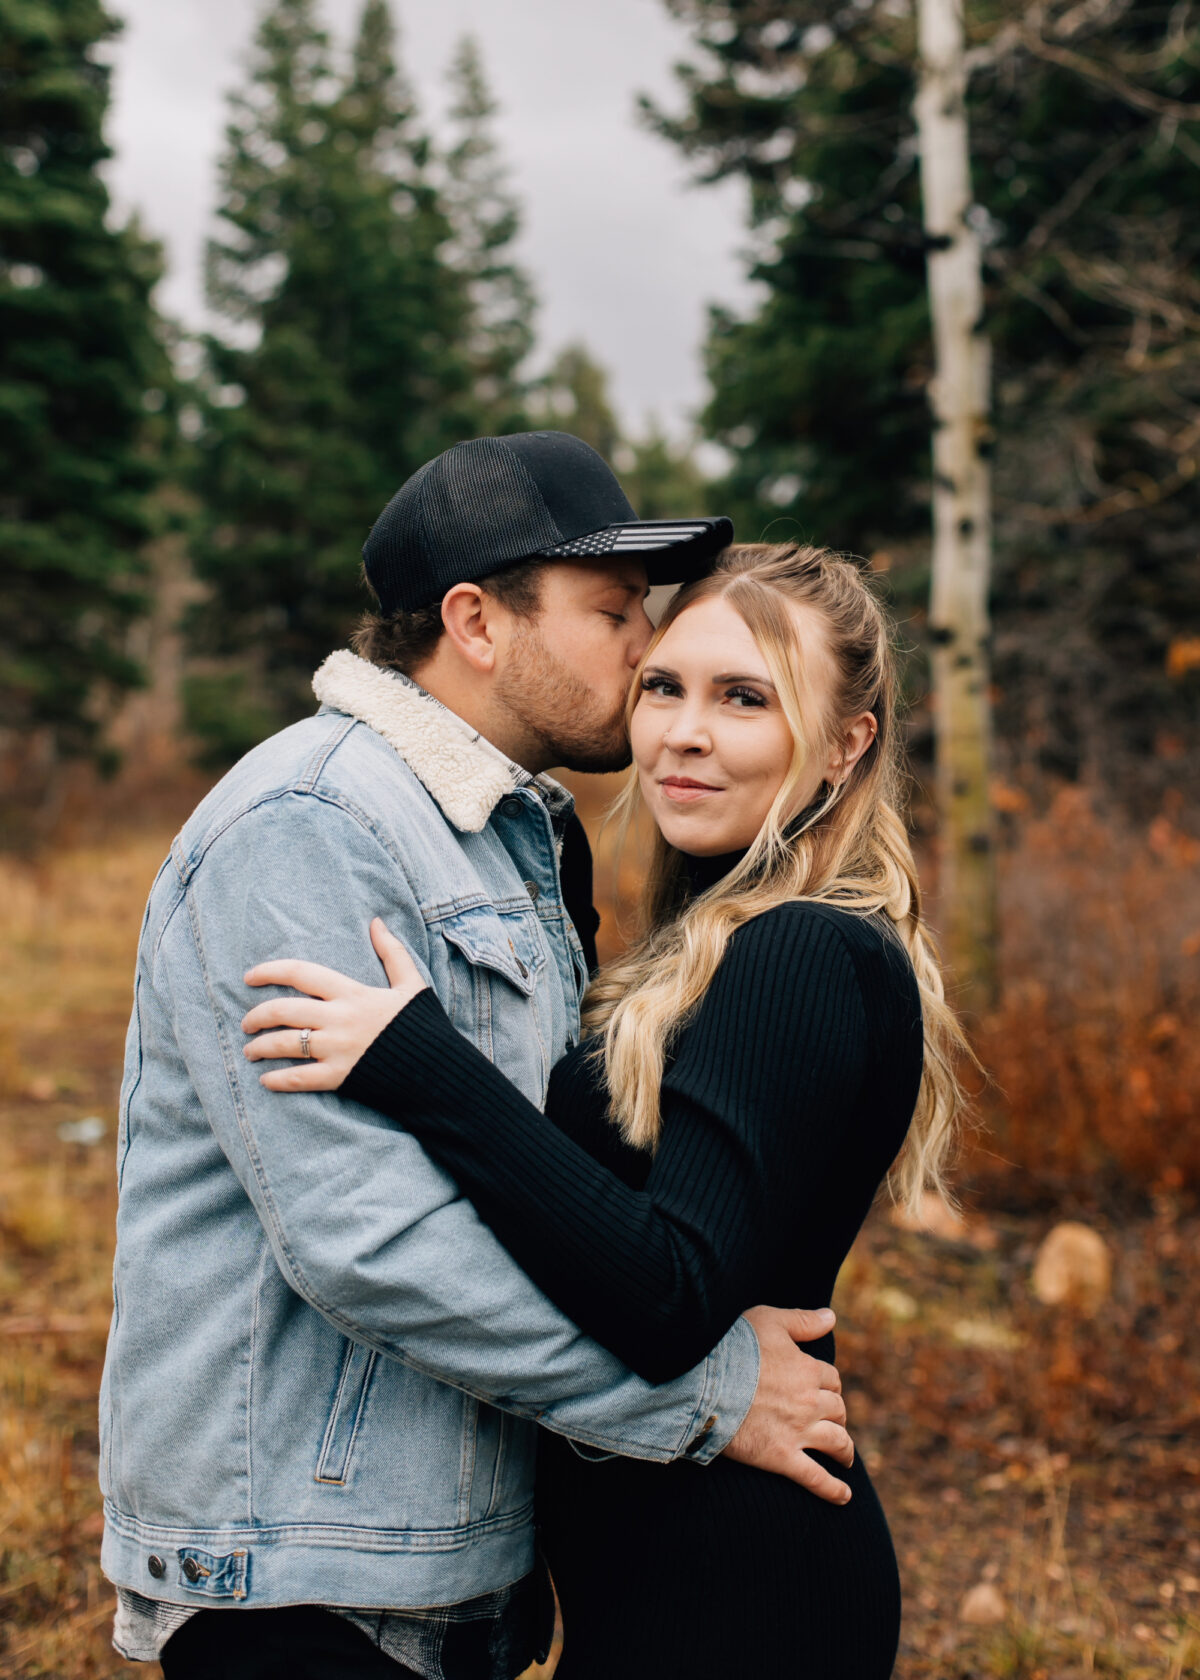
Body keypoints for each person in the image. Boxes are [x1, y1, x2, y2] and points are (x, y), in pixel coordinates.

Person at [101, 434, 858, 1680]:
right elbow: (367, 1237)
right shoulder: (316, 825)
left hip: (445, 1542)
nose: (645, 648)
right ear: (475, 621)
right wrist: (701, 1401)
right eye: (615, 612)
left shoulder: (505, 834)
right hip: (306, 1563)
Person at [243, 541, 974, 1680]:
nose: (683, 731)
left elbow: (669, 1292)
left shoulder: (802, 952)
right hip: (667, 1576)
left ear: (845, 745)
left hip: (738, 1593)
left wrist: (424, 1063)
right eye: (663, 688)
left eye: (744, 699)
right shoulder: (720, 947)